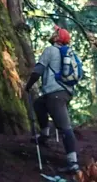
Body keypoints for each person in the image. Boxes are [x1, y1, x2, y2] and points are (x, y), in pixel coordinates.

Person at [24, 26, 81, 174]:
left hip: (55, 94)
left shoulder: (50, 50)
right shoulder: (68, 53)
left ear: (57, 38)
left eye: (55, 32)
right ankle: (44, 135)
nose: (52, 33)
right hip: (64, 93)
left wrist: (28, 86)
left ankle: (73, 162)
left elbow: (38, 71)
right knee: (39, 104)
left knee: (64, 127)